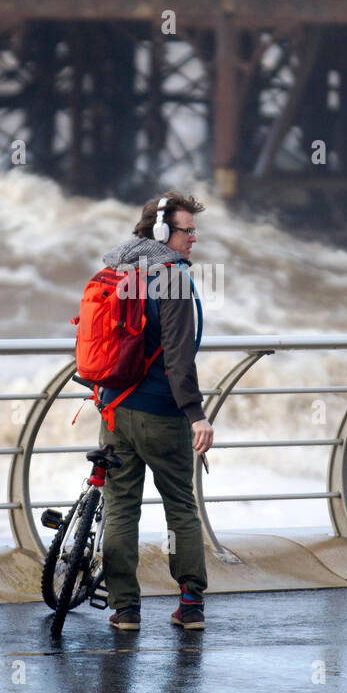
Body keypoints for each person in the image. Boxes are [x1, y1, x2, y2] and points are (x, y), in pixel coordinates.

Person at [96, 192, 214, 631]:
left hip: (113, 407)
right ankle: (191, 604)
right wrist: (197, 415)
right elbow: (179, 360)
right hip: (161, 414)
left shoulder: (119, 267)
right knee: (180, 507)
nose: (193, 239)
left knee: (121, 507)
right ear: (163, 232)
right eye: (187, 231)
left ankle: (125, 609)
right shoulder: (174, 279)